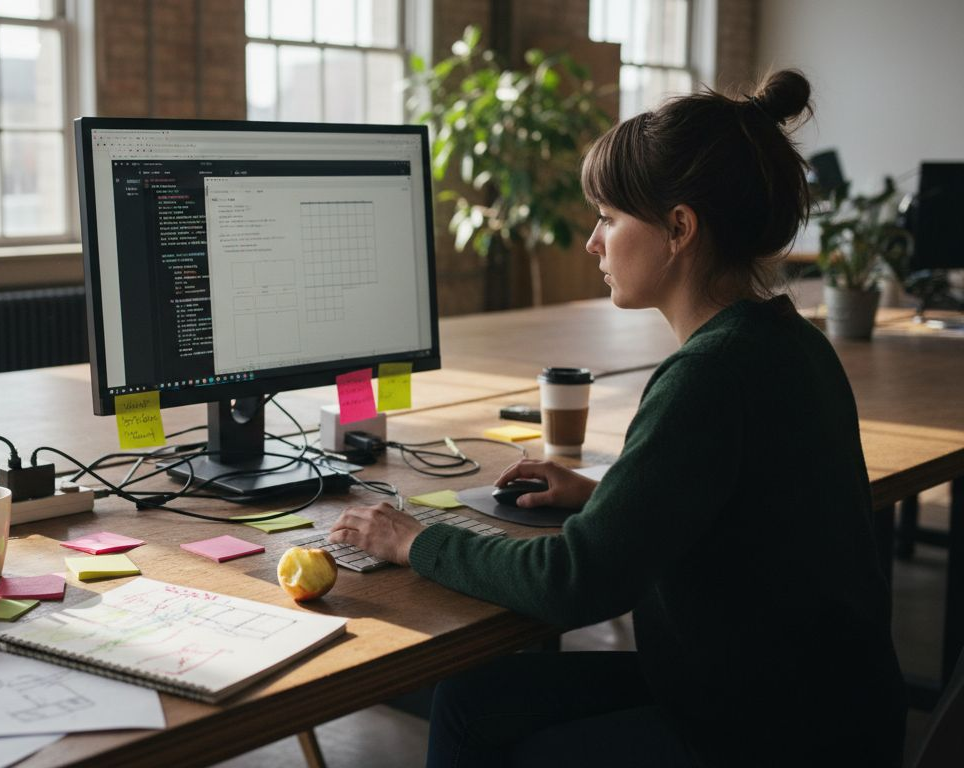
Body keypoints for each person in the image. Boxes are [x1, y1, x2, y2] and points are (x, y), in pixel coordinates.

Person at [329, 69, 906, 767]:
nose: (592, 244)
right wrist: (608, 497)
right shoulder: (788, 341)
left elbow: (575, 580)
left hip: (763, 734)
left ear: (678, 228)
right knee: (473, 698)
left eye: (607, 217)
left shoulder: (709, 373)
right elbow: (748, 511)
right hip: (822, 705)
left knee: (490, 720)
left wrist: (412, 541)